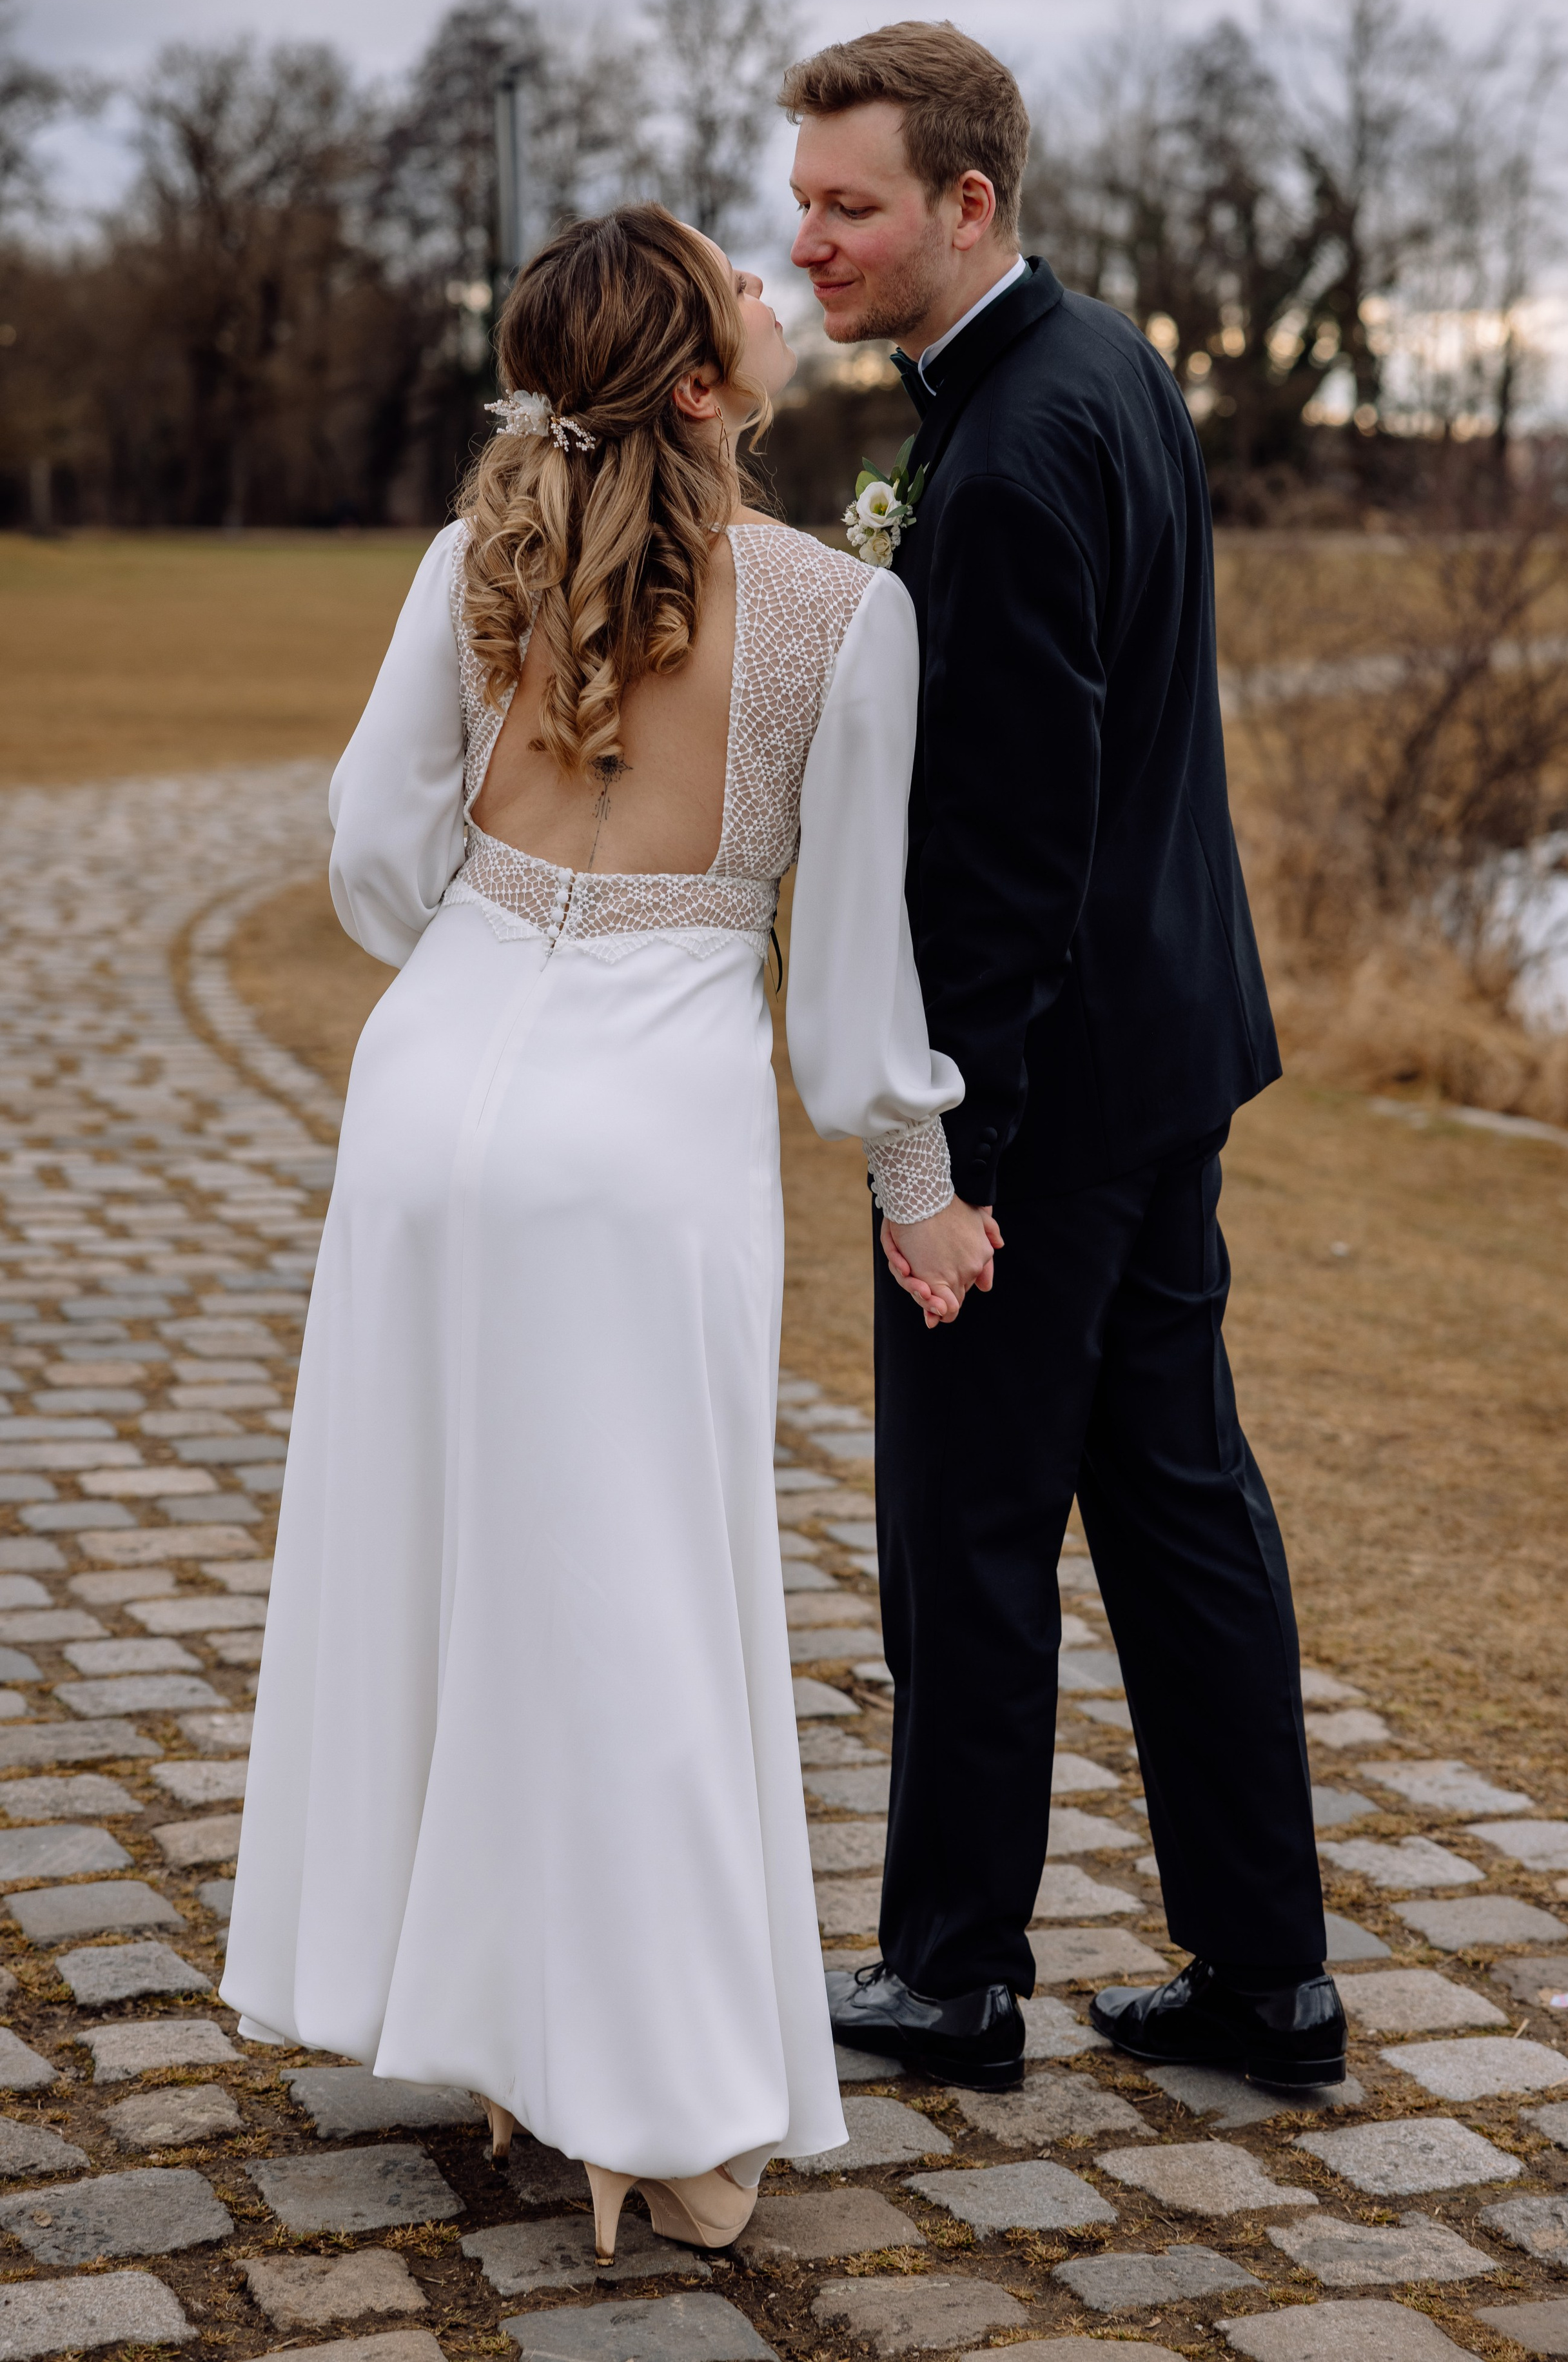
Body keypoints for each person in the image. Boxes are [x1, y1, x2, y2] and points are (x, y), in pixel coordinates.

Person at [219, 202, 966, 2256]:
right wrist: (919, 1188)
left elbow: (380, 851)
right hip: (641, 1136)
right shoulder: (836, 613)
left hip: (430, 1098)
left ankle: (486, 2034)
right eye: (739, 278)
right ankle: (663, 2115)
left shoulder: (480, 559)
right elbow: (848, 993)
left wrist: (489, 937)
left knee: (442, 1563)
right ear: (712, 384)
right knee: (633, 1609)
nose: (764, 272)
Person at [784, 25, 1348, 2092]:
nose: (813, 238)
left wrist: (949, 1159)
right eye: (807, 201)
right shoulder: (1102, 364)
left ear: (967, 204)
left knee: (969, 1523)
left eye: (853, 205)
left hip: (1041, 1087)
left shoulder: (1011, 454)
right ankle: (1268, 1977)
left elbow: (1009, 858)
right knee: (1182, 1500)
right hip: (1173, 1049)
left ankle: (950, 1972)